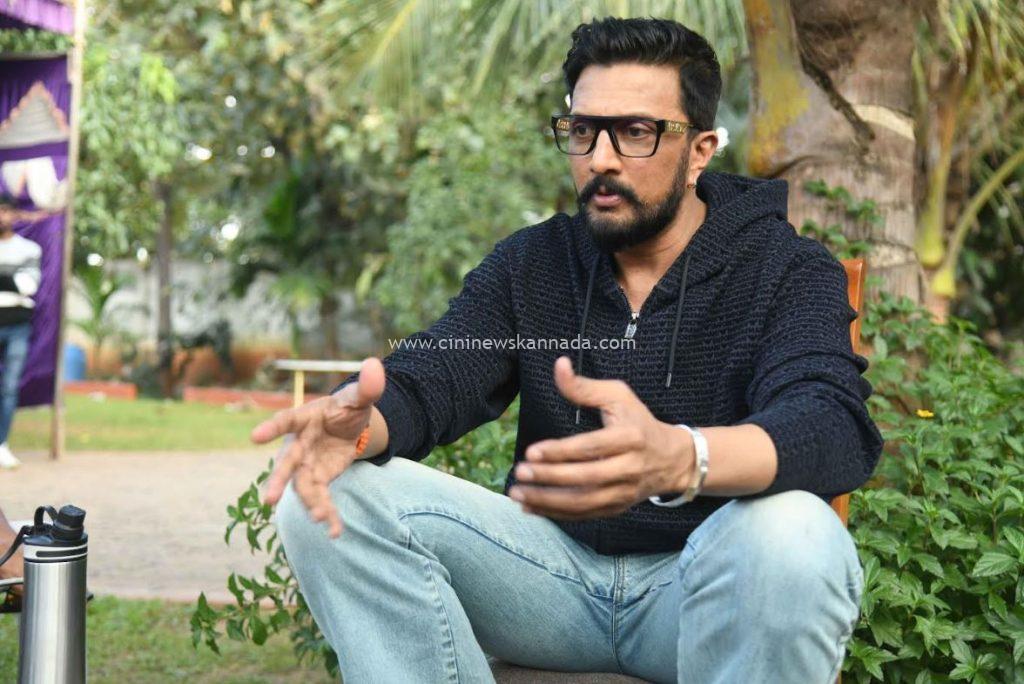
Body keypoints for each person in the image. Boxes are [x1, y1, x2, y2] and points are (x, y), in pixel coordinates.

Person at [251, 17, 884, 684]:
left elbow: (829, 423)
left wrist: (683, 458)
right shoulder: (535, 263)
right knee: (329, 493)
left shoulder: (785, 269)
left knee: (795, 534)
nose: (601, 159)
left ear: (700, 150)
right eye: (583, 131)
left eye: (635, 132)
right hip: (548, 582)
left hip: (697, 587)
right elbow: (437, 374)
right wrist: (358, 424)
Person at [0, 193, 45, 470]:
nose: (2, 216)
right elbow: (16, 283)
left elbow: (28, 286)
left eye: (6, 210)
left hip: (17, 325)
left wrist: (8, 280)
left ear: (15, 214)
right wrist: (10, 279)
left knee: (8, 388)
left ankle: (1, 444)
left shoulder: (29, 249)